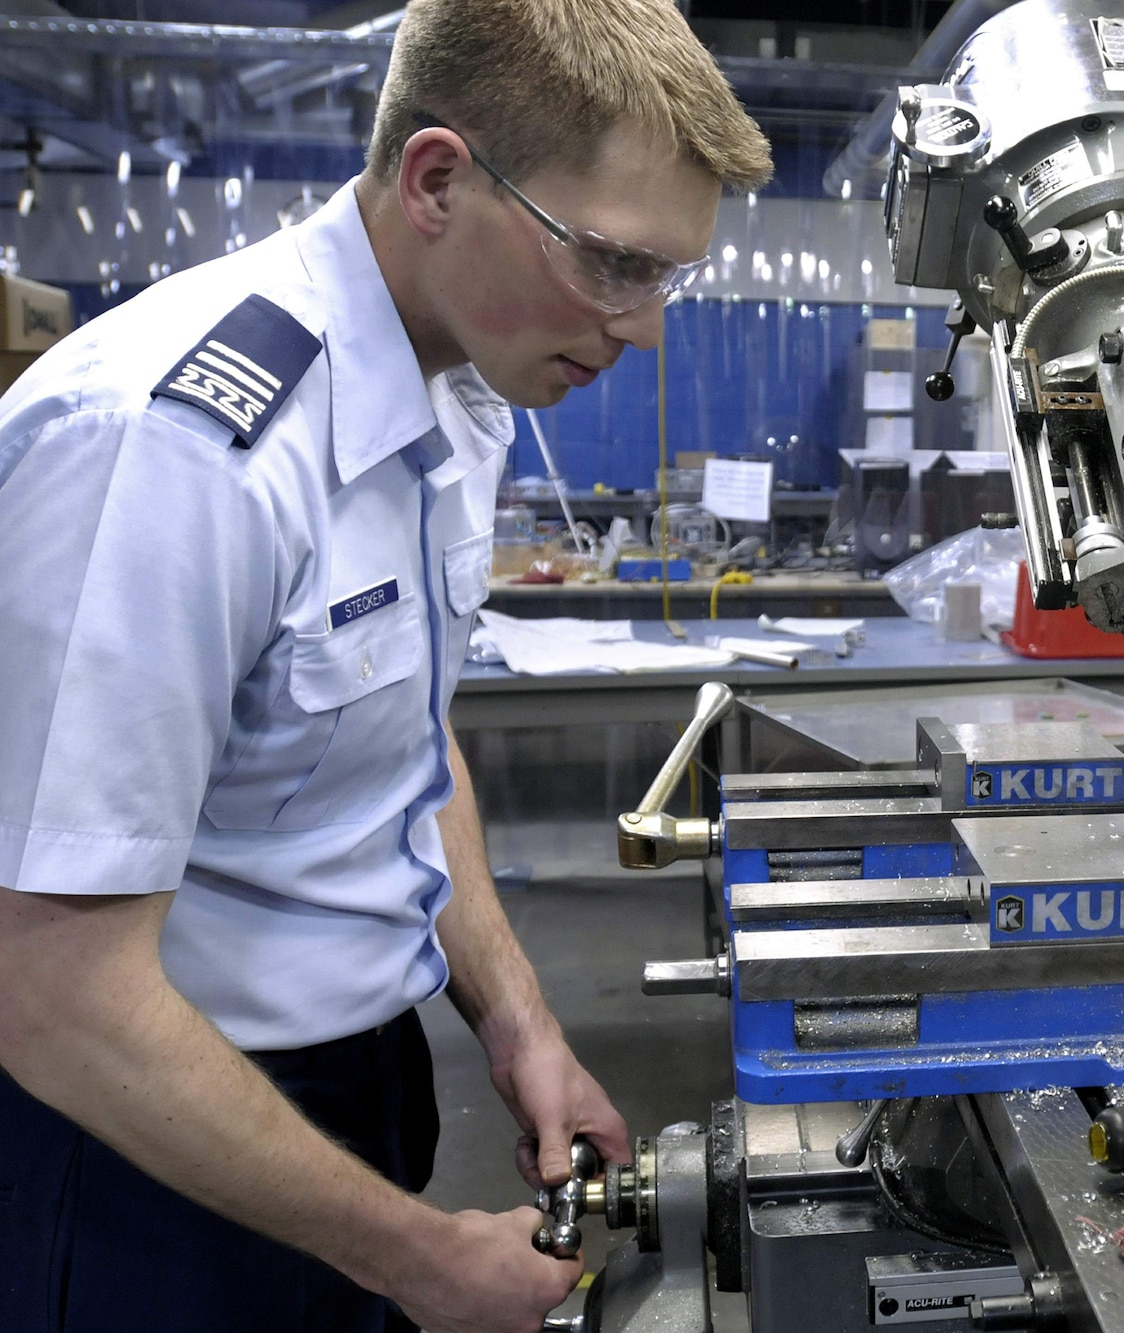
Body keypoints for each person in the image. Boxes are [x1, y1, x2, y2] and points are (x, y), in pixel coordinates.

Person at [0, 1, 771, 1329]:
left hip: (361, 1081)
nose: (643, 329)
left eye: (664, 278)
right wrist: (414, 1256)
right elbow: (52, 987)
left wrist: (516, 1019)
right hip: (140, 1142)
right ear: (437, 181)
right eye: (611, 264)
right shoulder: (175, 452)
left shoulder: (459, 391)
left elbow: (404, 735)